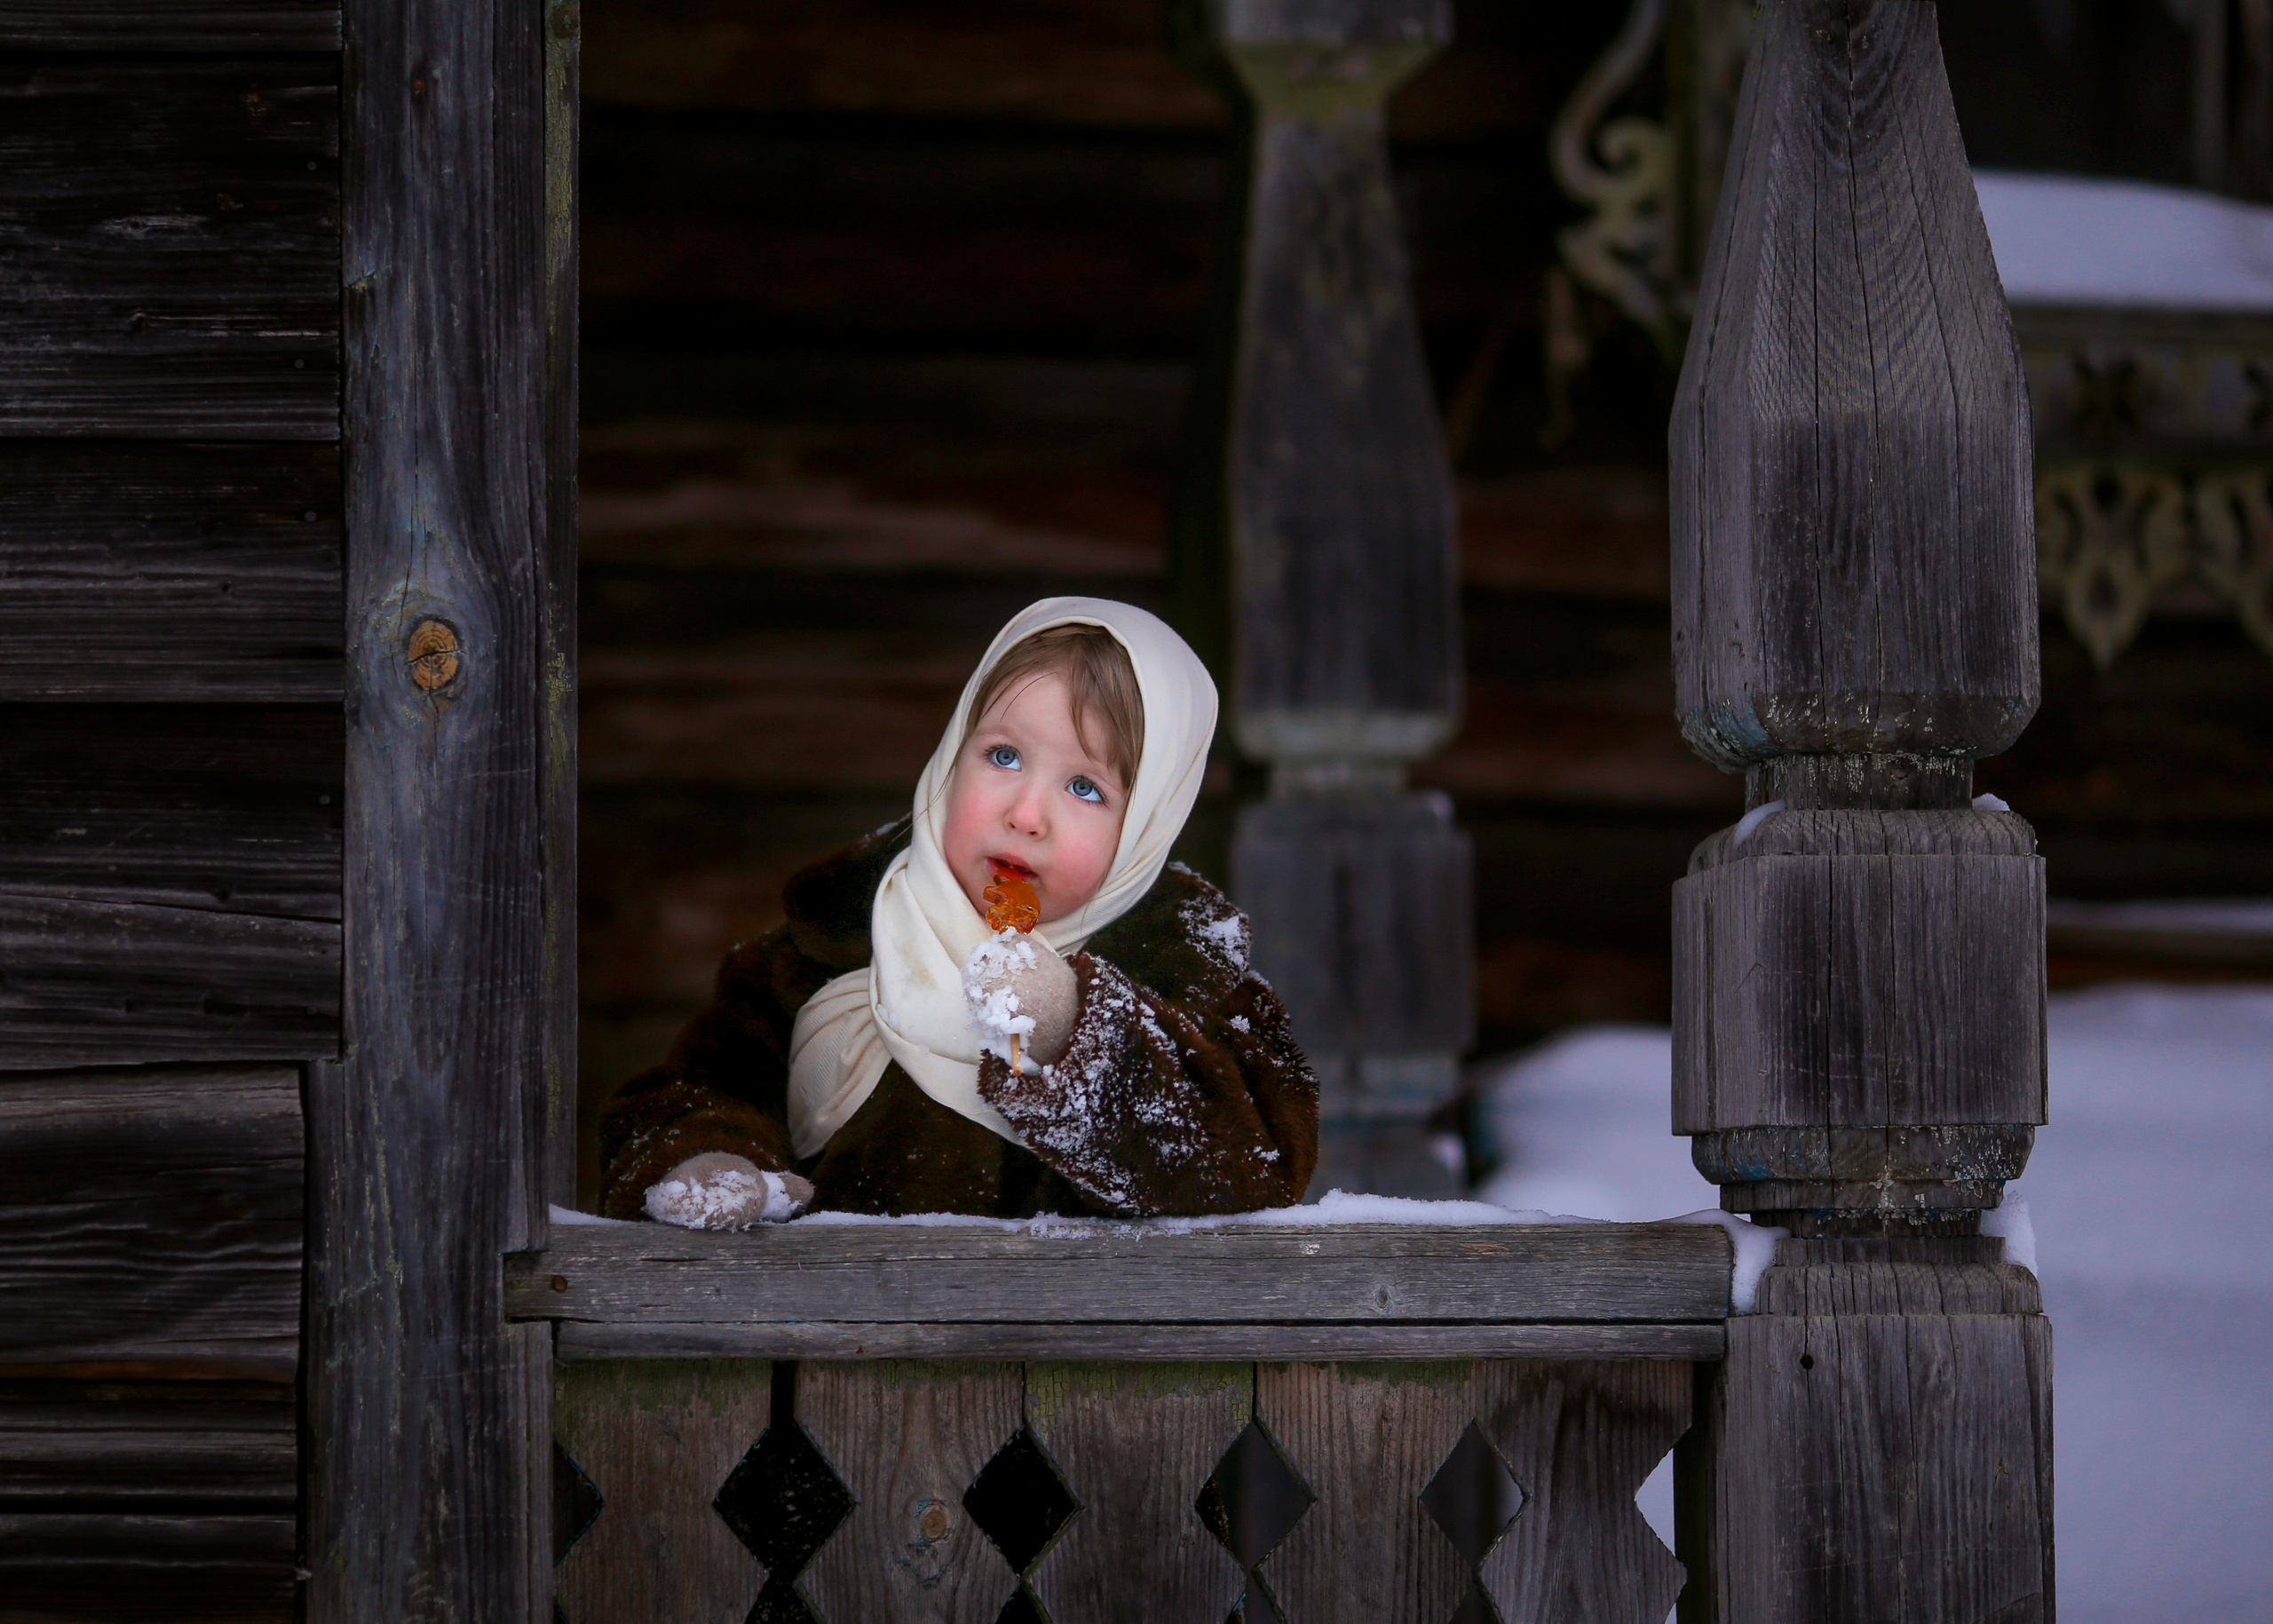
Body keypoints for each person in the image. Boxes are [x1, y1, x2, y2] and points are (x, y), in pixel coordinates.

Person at [597, 598, 1319, 1225]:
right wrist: (709, 1156)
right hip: (825, 1360)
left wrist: (1077, 1032)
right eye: (1003, 756)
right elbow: (695, 1091)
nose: (1027, 813)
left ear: (1149, 825)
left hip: (1065, 1376)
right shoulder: (828, 941)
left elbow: (1256, 1166)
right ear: (951, 756)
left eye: (1086, 788)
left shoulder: (1187, 980)